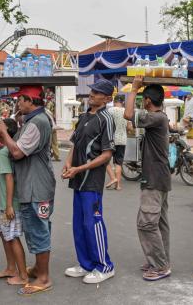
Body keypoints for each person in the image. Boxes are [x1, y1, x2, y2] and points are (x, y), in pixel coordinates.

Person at [0, 85, 55, 296]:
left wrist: (3, 132)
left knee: (38, 230)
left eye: (20, 99)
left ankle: (43, 277)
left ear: (31, 100)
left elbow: (18, 152)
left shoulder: (37, 122)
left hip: (35, 186)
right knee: (37, 228)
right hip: (34, 184)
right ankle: (39, 268)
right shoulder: (33, 120)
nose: (17, 104)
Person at [62, 79, 116, 284]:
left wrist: (80, 168)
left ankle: (104, 265)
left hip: (92, 180)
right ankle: (86, 264)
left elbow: (106, 154)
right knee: (79, 224)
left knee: (93, 223)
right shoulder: (84, 116)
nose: (92, 94)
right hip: (78, 180)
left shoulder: (106, 119)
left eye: (97, 92)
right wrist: (68, 163)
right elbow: (75, 144)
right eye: (92, 91)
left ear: (107, 98)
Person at [124, 76, 172, 281]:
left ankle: (160, 266)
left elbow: (127, 114)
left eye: (143, 99)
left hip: (154, 178)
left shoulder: (157, 118)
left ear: (147, 101)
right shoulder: (159, 118)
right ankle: (160, 261)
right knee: (159, 223)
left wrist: (134, 88)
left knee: (146, 223)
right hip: (158, 177)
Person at [0, 119, 27, 285]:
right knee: (4, 233)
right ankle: (11, 268)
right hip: (11, 202)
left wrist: (9, 205)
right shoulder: (12, 149)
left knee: (12, 237)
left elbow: (9, 178)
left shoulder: (4, 152)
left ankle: (23, 275)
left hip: (10, 203)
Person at [106, 95, 131, 191]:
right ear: (123, 102)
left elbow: (106, 124)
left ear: (114, 101)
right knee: (118, 163)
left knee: (105, 161)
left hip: (111, 139)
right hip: (122, 140)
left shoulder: (110, 111)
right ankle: (118, 185)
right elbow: (129, 128)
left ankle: (113, 178)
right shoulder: (126, 112)